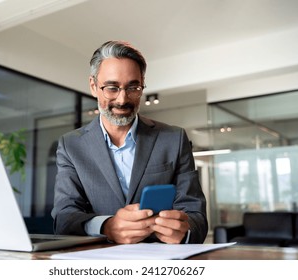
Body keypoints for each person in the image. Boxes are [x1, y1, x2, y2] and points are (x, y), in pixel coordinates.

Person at [51, 40, 208, 244]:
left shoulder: (174, 139)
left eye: (133, 87)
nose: (123, 99)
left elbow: (197, 216)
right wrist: (107, 227)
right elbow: (64, 218)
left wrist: (184, 231)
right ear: (93, 86)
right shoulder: (71, 145)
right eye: (112, 88)